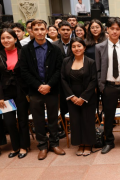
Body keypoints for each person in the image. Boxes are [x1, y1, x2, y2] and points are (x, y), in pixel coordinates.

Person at [20, 19, 65, 160]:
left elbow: (59, 70)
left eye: (42, 29)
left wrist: (49, 85)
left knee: (52, 118)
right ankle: (42, 146)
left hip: (51, 89)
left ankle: (54, 143)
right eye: (36, 29)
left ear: (46, 31)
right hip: (35, 90)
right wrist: (38, 86)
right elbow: (24, 71)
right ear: (31, 31)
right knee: (38, 119)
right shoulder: (26, 50)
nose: (39, 32)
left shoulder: (55, 49)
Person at [95, 17, 120, 153]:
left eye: (118, 29)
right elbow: (98, 69)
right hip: (109, 86)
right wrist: (102, 86)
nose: (115, 31)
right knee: (109, 115)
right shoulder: (99, 47)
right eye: (112, 28)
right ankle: (109, 141)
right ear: (107, 29)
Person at [61, 37, 97, 156]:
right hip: (72, 96)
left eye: (79, 46)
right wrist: (72, 96)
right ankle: (80, 144)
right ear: (71, 48)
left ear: (84, 47)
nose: (77, 49)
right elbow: (63, 79)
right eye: (74, 46)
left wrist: (83, 97)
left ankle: (88, 144)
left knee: (87, 120)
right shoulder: (66, 61)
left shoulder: (90, 62)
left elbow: (93, 80)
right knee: (75, 121)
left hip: (87, 96)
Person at [0, 29, 30, 159]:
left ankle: (24, 146)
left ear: (15, 39)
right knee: (9, 121)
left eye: (9, 37)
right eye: (3, 38)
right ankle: (15, 146)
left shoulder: (23, 52)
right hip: (6, 91)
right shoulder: (0, 54)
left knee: (23, 119)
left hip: (21, 90)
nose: (6, 40)